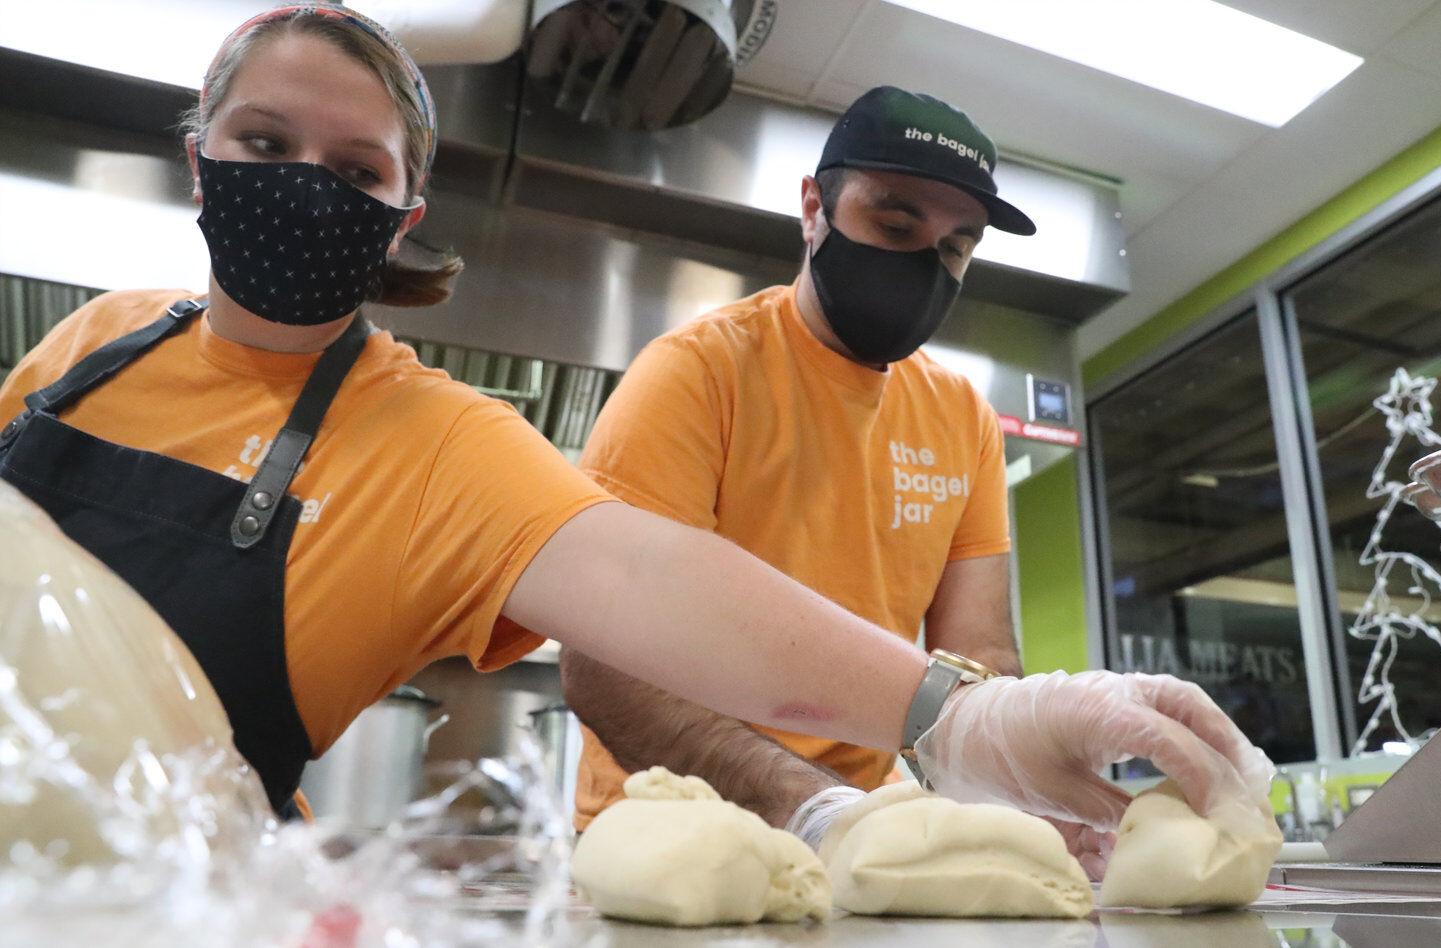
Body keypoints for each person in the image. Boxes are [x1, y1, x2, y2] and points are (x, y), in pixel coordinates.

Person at [0, 3, 1271, 851]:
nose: (300, 188)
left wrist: (962, 723)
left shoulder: (436, 442)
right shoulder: (90, 341)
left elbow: (643, 582)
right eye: (264, 142)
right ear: (199, 155)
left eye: (355, 172)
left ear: (403, 212)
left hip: (158, 902)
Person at [562, 87, 1032, 836]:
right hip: (671, 836)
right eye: (896, 222)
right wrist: (809, 807)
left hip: (856, 844)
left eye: (954, 247)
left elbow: (978, 656)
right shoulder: (699, 372)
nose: (925, 265)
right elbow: (603, 659)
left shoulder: (963, 418)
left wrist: (1028, 758)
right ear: (814, 208)